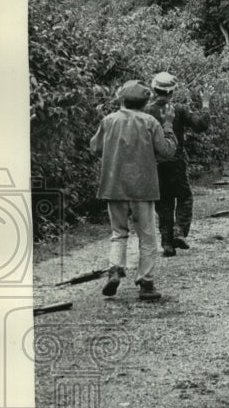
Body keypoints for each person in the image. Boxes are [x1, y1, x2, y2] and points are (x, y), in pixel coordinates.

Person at [90, 80, 178, 301]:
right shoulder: (150, 122)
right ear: (146, 101)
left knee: (118, 233)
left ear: (121, 99)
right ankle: (146, 283)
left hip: (113, 185)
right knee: (147, 236)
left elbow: (95, 148)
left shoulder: (108, 121)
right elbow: (167, 151)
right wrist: (168, 125)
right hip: (143, 187)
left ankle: (115, 269)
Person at [144, 71, 210, 257]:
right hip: (176, 161)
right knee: (184, 197)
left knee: (163, 202)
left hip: (154, 164)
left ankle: (167, 243)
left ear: (153, 89)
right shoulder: (179, 109)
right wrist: (205, 103)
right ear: (172, 92)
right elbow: (201, 125)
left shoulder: (145, 111)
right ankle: (179, 230)